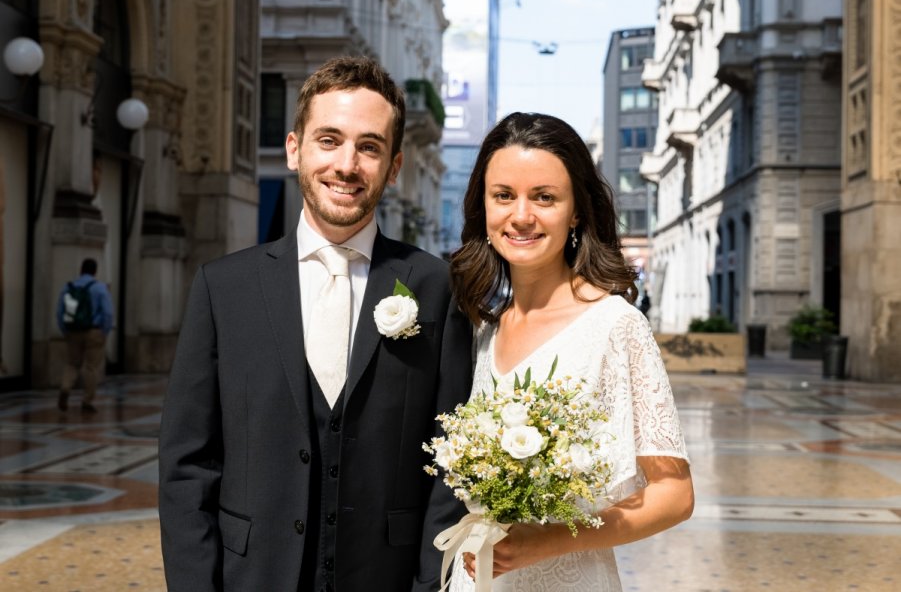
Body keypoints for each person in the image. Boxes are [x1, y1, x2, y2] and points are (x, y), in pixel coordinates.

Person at [158, 56, 472, 592]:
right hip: (251, 576)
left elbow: (451, 461)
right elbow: (188, 464)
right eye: (329, 140)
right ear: (293, 149)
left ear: (394, 167)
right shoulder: (223, 289)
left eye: (369, 147)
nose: (347, 165)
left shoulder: (436, 288)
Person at [448, 112, 693, 591]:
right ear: (483, 206)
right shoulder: (481, 329)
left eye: (544, 197)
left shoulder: (616, 326)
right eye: (504, 196)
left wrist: (552, 540)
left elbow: (674, 495)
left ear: (577, 210)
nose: (521, 216)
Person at [55, 258, 114, 413]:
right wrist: (104, 331)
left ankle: (65, 388)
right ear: (95, 271)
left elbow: (59, 311)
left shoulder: (68, 287)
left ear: (81, 269)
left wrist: (65, 330)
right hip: (94, 331)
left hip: (73, 331)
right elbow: (108, 313)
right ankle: (87, 401)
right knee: (91, 367)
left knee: (72, 363)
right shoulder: (100, 288)